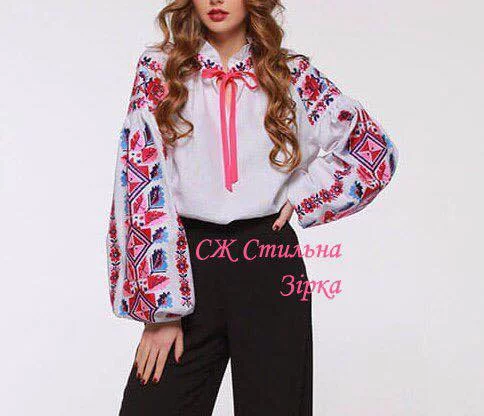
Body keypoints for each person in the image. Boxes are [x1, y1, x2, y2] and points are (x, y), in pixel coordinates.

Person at [105, 0, 398, 414]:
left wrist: (304, 194)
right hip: (186, 263)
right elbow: (138, 181)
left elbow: (372, 151)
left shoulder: (290, 74)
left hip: (268, 262)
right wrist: (160, 311)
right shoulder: (160, 69)